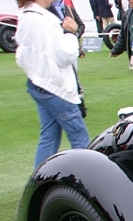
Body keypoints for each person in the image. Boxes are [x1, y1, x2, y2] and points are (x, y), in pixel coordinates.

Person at [16, 0, 90, 169]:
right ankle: (89, 181)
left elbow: (21, 55)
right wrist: (70, 34)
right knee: (79, 137)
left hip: (39, 83)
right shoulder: (43, 21)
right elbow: (64, 56)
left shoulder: (27, 16)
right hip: (56, 87)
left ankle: (38, 182)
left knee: (49, 137)